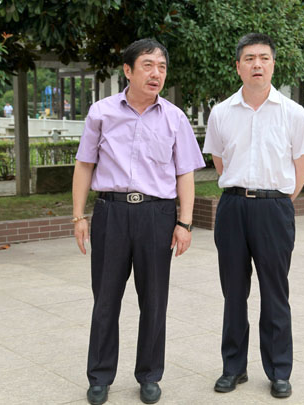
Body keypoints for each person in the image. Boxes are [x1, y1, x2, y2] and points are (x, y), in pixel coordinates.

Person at [72, 38, 205, 405]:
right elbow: (84, 164)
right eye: (148, 65)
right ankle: (99, 377)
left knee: (154, 300)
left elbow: (185, 173)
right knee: (105, 299)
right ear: (128, 71)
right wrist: (79, 215)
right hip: (111, 213)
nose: (156, 73)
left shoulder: (175, 118)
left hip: (157, 215)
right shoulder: (101, 112)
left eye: (161, 67)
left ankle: (149, 375)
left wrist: (185, 223)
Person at [203, 33, 304, 399]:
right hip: (233, 207)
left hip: (274, 209)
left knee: (275, 292)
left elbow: (303, 168)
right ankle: (233, 368)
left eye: (264, 58)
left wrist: (276, 200)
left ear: (273, 65)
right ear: (238, 66)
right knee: (233, 292)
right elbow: (220, 162)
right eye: (249, 58)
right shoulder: (221, 112)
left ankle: (279, 370)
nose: (257, 65)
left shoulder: (293, 113)